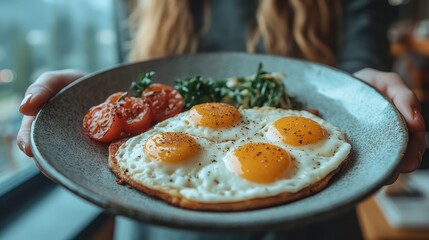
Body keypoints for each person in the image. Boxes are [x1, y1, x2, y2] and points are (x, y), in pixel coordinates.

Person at [16, 0, 426, 239]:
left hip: (312, 225)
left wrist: (366, 94)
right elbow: (139, 71)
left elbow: (358, 59)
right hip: (155, 222)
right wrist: (91, 98)